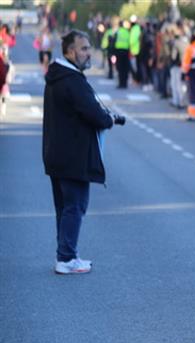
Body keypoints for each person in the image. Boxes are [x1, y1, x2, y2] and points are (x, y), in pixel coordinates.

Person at [43, 30, 124, 274]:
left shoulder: (59, 76)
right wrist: (109, 120)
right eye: (84, 48)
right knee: (75, 206)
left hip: (57, 154)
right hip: (73, 156)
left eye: (89, 48)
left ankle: (65, 254)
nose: (88, 53)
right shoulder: (72, 80)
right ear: (70, 52)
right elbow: (93, 113)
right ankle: (67, 258)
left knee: (65, 207)